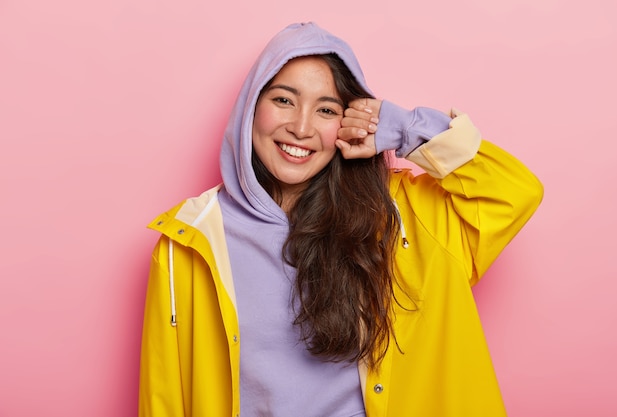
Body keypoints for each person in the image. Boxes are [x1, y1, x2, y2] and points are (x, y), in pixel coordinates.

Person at [138, 22, 543, 417]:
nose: (300, 127)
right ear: (251, 106)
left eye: (326, 109)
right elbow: (164, 399)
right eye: (283, 100)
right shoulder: (188, 242)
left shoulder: (404, 217)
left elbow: (514, 192)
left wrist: (405, 129)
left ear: (348, 121)